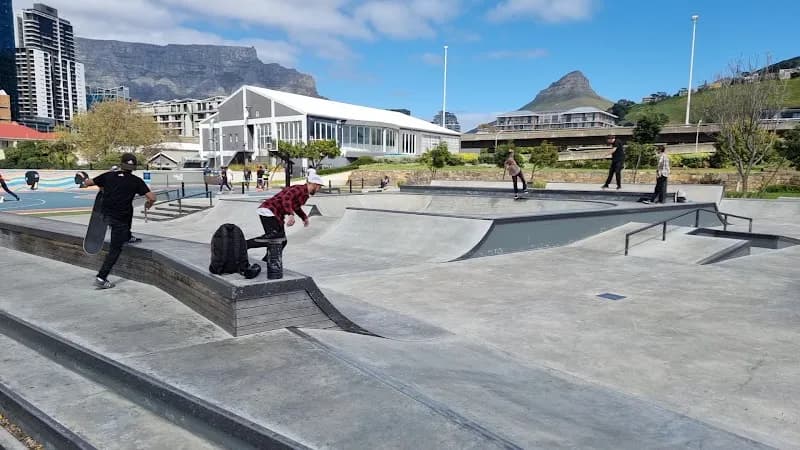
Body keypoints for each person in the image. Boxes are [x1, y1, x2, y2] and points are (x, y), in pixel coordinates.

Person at [81, 153, 156, 289]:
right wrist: (148, 204)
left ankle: (128, 236)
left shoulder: (108, 175)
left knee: (124, 217)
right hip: (120, 219)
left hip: (106, 214)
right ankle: (101, 277)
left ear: (121, 165)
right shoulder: (136, 181)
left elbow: (88, 183)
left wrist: (86, 181)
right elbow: (152, 197)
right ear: (133, 167)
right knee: (115, 250)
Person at [246, 173, 325, 279]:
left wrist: (304, 217)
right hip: (269, 210)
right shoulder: (299, 189)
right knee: (273, 237)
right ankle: (244, 244)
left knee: (282, 241)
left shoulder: (305, 195)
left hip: (276, 215)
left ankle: (264, 263)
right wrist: (290, 214)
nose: (319, 189)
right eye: (319, 186)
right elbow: (286, 198)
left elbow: (296, 207)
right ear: (314, 184)